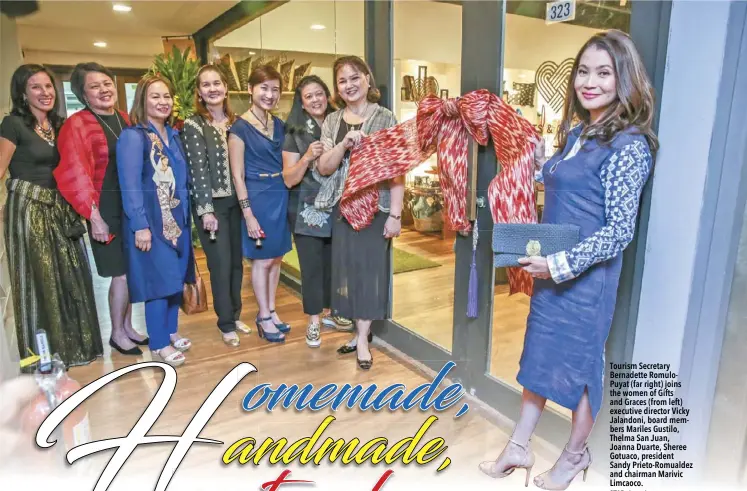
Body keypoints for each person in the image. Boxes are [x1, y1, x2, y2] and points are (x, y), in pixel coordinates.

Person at [478, 30, 658, 489]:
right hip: (553, 274)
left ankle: (575, 456)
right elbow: (569, 186)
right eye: (583, 71)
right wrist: (540, 164)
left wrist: (558, 266)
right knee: (538, 356)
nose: (589, 82)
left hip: (585, 281)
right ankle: (519, 446)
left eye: (603, 72)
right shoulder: (579, 133)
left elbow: (619, 232)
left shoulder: (629, 146)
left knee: (579, 369)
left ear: (625, 80)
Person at [0, 64, 103, 368]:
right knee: (38, 281)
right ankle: (42, 357)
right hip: (29, 209)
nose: (44, 93)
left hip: (60, 209)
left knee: (72, 276)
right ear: (22, 92)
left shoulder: (62, 124)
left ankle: (76, 347)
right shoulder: (13, 124)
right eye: (35, 87)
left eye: (48, 87)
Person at [55, 62, 148, 356]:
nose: (104, 90)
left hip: (130, 206)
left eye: (107, 83)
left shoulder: (125, 118)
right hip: (104, 209)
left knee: (132, 270)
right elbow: (74, 173)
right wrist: (93, 217)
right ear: (83, 94)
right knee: (119, 273)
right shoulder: (77, 124)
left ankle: (129, 325)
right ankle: (117, 333)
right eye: (94, 87)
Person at [316, 56, 404, 369]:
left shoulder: (385, 118)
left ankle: (364, 339)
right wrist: (342, 145)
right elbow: (324, 167)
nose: (350, 85)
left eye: (355, 78)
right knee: (349, 274)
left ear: (367, 79)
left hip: (376, 210)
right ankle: (357, 331)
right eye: (342, 81)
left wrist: (395, 213)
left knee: (369, 274)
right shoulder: (332, 121)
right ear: (337, 89)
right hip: (342, 210)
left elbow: (396, 171)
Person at [117, 74, 195, 367]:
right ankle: (159, 344)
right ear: (142, 100)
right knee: (158, 284)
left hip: (178, 221)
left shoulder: (174, 135)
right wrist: (140, 226)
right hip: (151, 223)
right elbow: (129, 184)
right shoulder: (133, 137)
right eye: (155, 96)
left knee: (175, 280)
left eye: (167, 96)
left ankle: (170, 331)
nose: (163, 102)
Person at [181, 65, 252, 348]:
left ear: (225, 87)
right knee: (220, 265)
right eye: (206, 85)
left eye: (217, 83)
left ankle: (235, 315)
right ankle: (224, 323)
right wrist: (206, 209)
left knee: (237, 264)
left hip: (238, 204)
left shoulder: (237, 122)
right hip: (213, 207)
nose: (212, 89)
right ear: (199, 91)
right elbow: (197, 169)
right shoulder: (194, 124)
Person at [282, 75, 352, 348]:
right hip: (306, 211)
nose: (315, 100)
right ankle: (313, 323)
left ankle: (331, 312)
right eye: (309, 96)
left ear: (328, 95)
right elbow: (288, 178)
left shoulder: (340, 124)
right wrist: (307, 157)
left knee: (334, 266)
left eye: (319, 93)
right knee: (311, 269)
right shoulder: (295, 133)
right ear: (301, 103)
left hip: (338, 207)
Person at [228, 65, 292, 343]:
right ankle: (263, 315)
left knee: (276, 257)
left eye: (275, 89)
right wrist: (249, 215)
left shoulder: (278, 124)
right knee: (262, 259)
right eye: (264, 88)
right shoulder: (238, 129)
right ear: (251, 90)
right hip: (256, 196)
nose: (269, 94)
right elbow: (237, 176)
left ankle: (272, 309)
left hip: (279, 192)